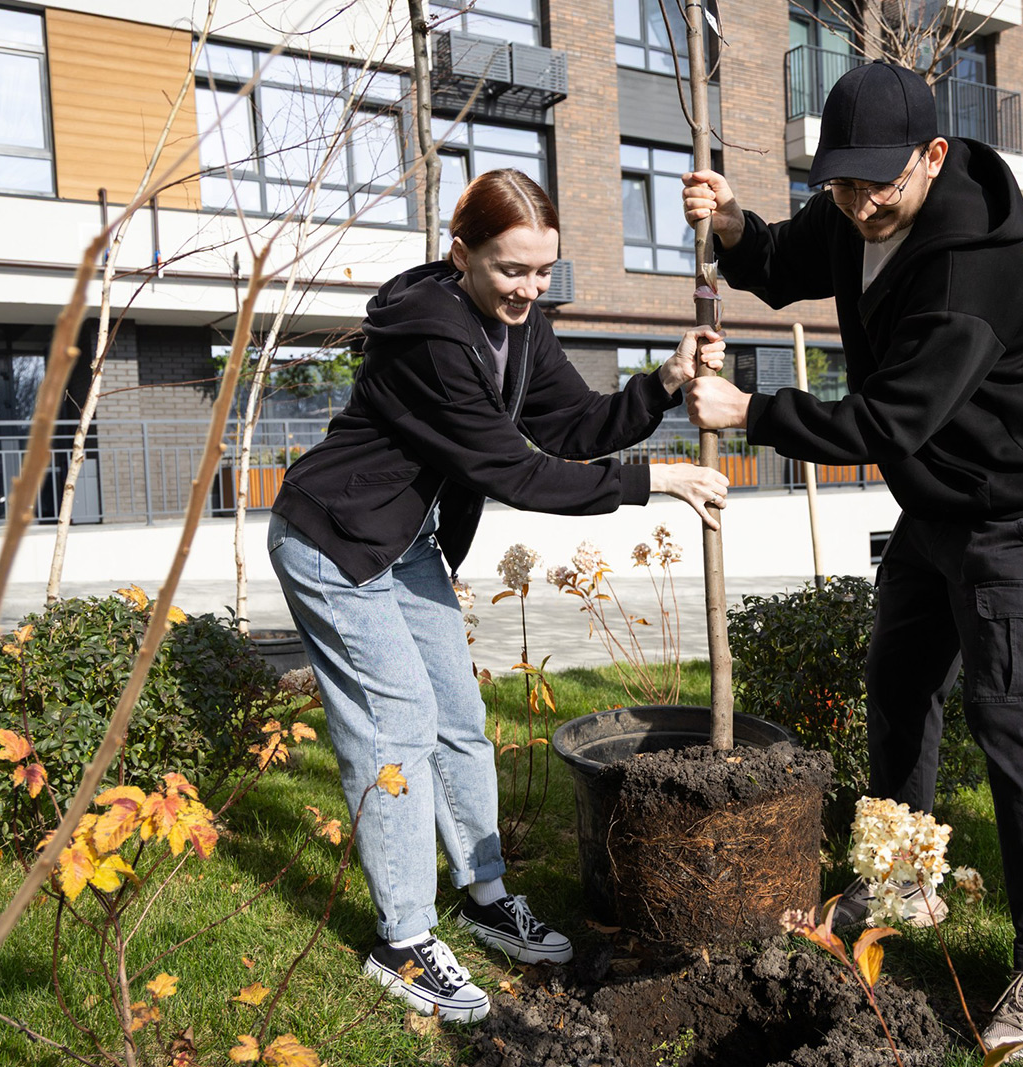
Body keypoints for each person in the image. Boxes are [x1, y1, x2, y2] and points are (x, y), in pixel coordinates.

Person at [680, 62, 1023, 1054]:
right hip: (941, 498)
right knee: (899, 677)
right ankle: (898, 880)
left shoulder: (971, 268)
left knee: (1011, 718)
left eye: (880, 184)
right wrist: (735, 224)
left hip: (1022, 507)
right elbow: (782, 259)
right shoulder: (853, 208)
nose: (860, 204)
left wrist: (750, 411)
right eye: (841, 184)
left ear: (933, 157)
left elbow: (887, 419)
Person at [267, 168, 728, 1023]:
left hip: (405, 544)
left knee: (458, 717)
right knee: (396, 728)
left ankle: (484, 895)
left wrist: (664, 380)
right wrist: (655, 480)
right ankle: (403, 940)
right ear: (462, 254)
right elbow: (515, 471)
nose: (530, 288)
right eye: (512, 269)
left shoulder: (520, 326)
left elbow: (573, 425)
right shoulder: (431, 337)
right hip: (334, 541)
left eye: (544, 270)